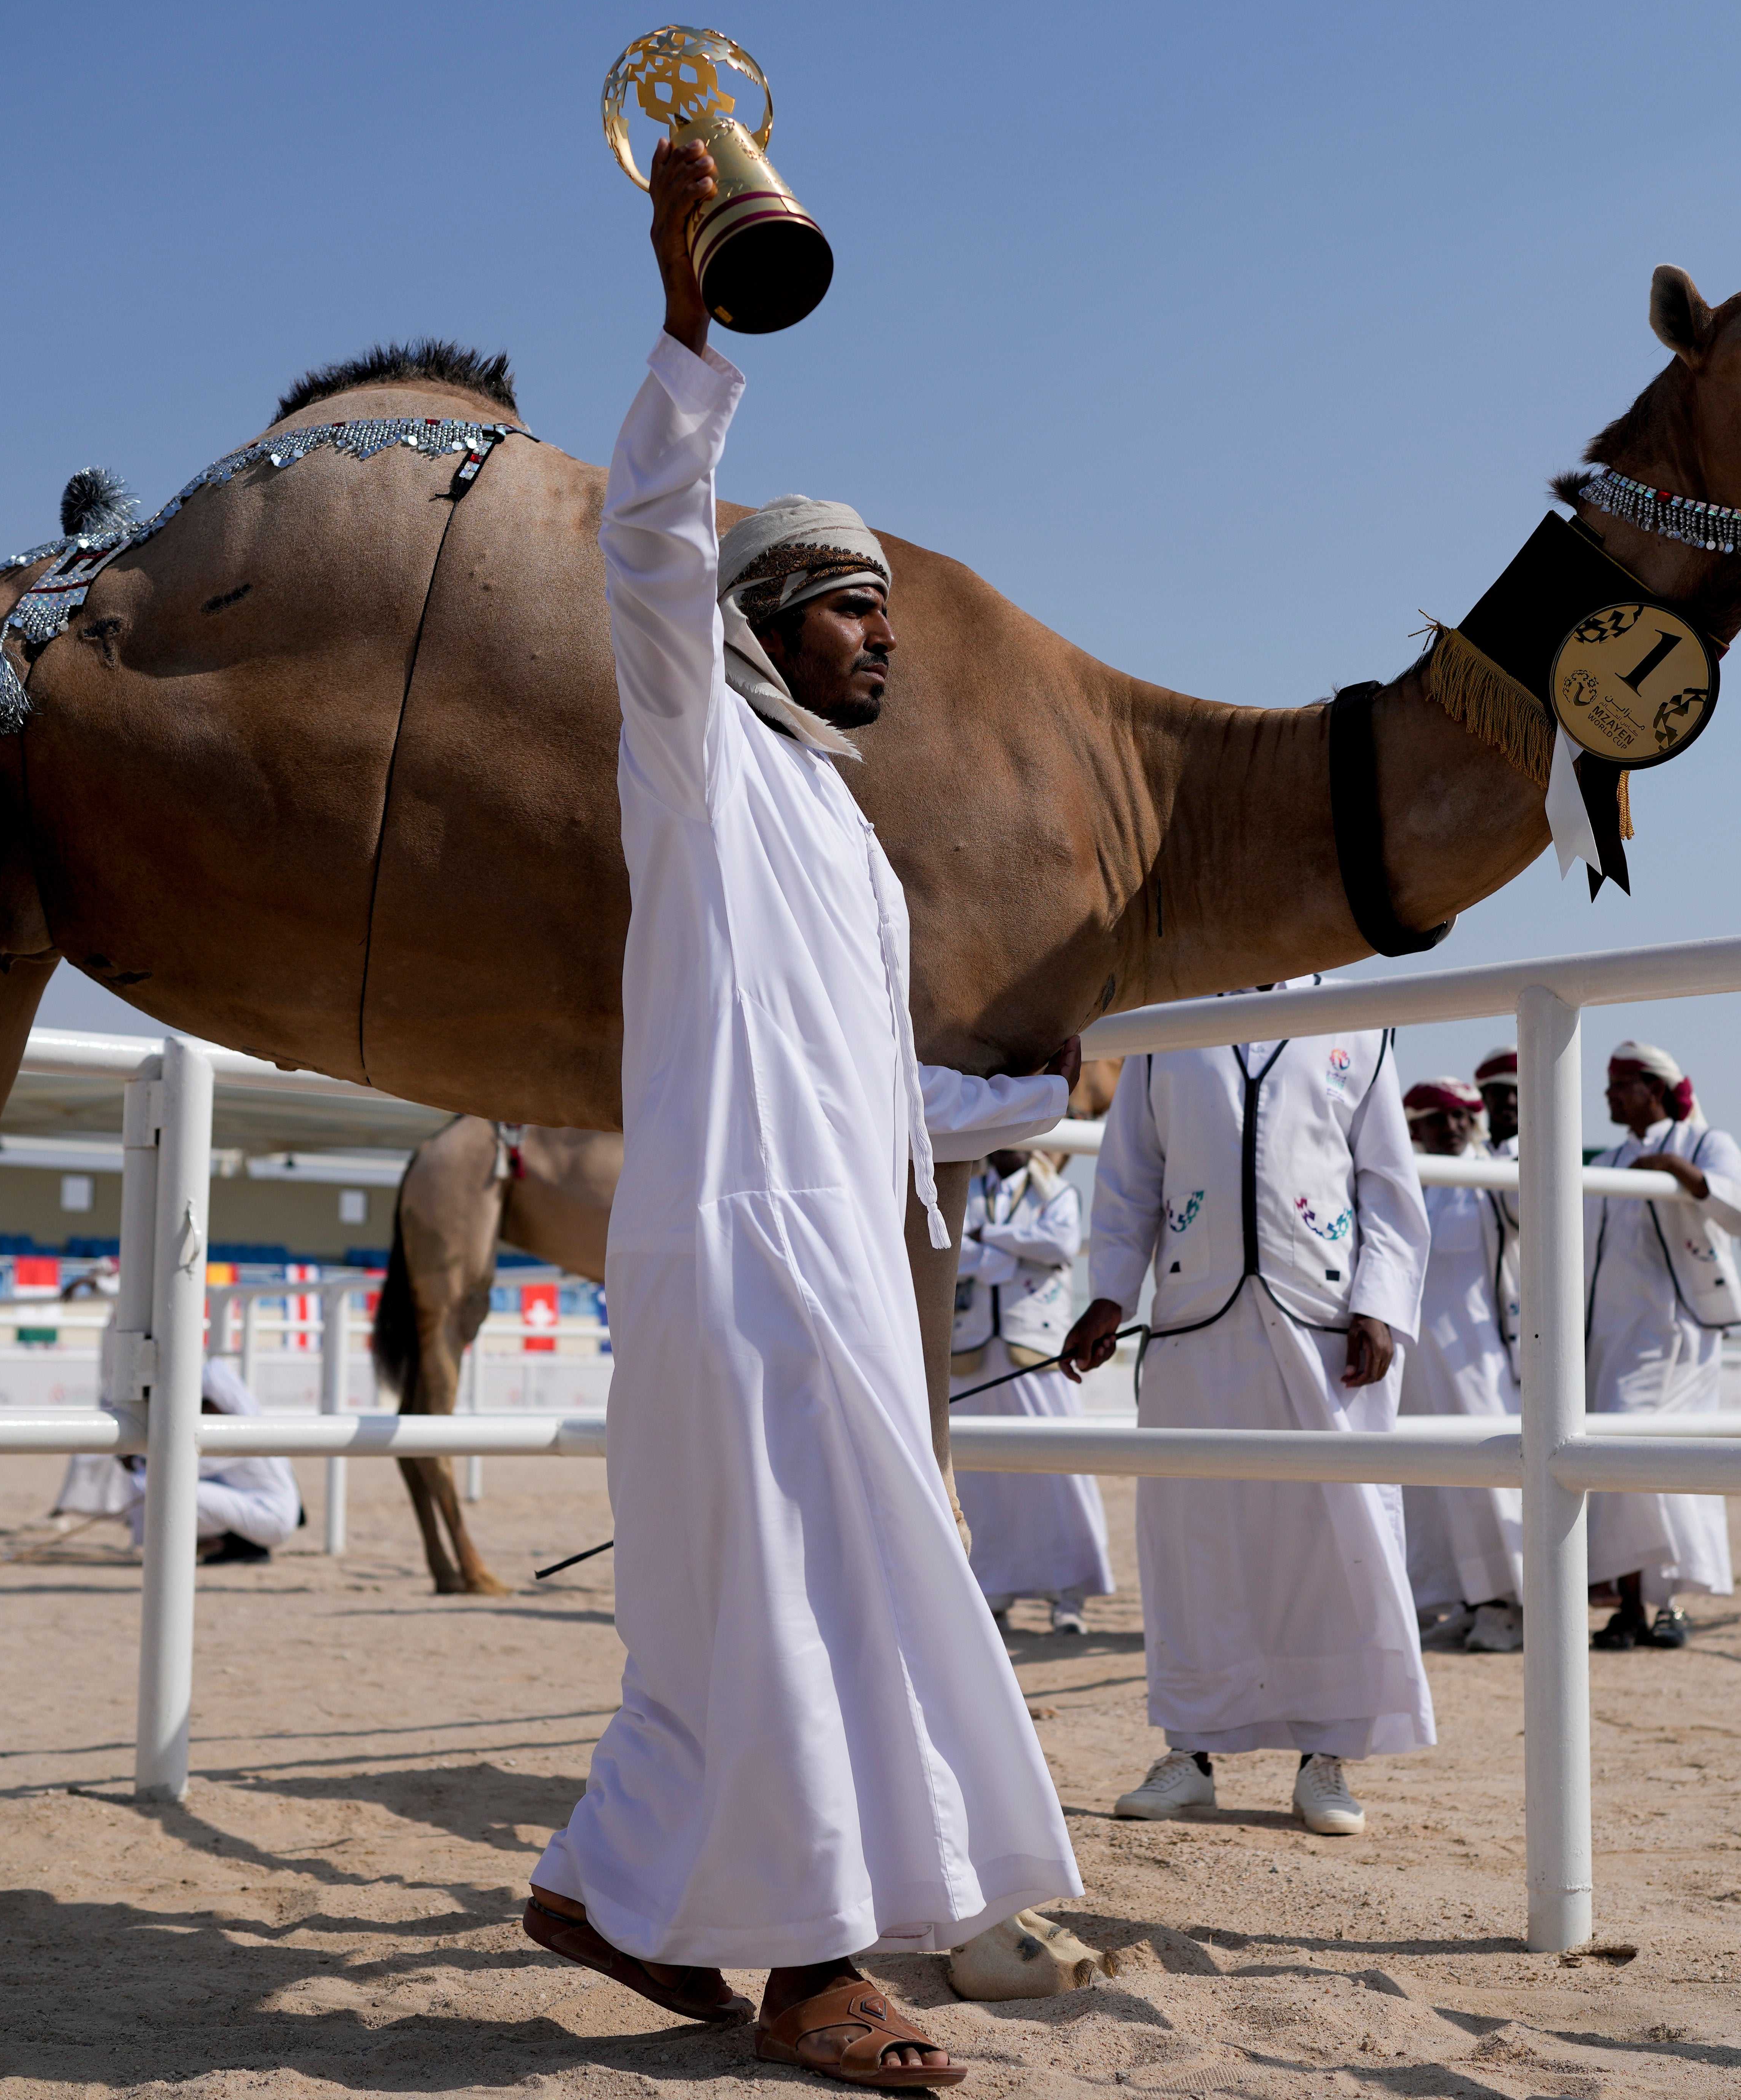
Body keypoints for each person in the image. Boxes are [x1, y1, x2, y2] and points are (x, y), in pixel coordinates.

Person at [520, 137, 1080, 2092]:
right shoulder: (692, 747)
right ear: (754, 624)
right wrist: (689, 332)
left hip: (831, 1254)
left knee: (746, 1600)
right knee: (792, 1600)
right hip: (741, 1250)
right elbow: (647, 546)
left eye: (883, 608)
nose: (881, 635)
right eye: (842, 606)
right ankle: (809, 1969)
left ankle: (607, 1885)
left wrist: (1031, 1086)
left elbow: (866, 1073)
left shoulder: (836, 825)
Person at [1063, 984, 1432, 1837]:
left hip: (1325, 1322)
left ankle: (1325, 1756)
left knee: (1332, 1536)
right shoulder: (1165, 1025)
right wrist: (1110, 1297)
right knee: (1195, 1536)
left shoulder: (1356, 1018)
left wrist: (1378, 1303)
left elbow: (1385, 1181)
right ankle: (1188, 1754)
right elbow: (1128, 1180)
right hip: (1197, 1322)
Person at [1583, 1041, 1741, 1650]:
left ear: (1654, 1087)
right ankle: (1631, 1605)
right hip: (1612, 1336)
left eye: (1619, 1083)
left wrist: (1678, 1172)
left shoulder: (1706, 1143)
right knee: (1610, 1463)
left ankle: (1671, 1603)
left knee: (1668, 1464)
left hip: (1679, 1336)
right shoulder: (1604, 1159)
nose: (1608, 1095)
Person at [951, 1145, 1112, 1636]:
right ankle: (991, 1588)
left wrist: (990, 1238)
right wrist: (1009, 1250)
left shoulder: (1057, 1191)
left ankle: (1070, 1593)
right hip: (973, 1347)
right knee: (981, 1477)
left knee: (1057, 1469)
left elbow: (1059, 1243)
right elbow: (953, 1245)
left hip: (1037, 1347)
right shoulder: (964, 1190)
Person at [1396, 1080, 1523, 1654]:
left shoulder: (1494, 1172)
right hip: (1418, 1360)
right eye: (1434, 1118)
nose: (1449, 1127)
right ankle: (1462, 1598)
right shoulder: (1411, 1182)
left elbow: (1530, 1210)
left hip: (1478, 1352)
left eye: (1458, 1116)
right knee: (1430, 1483)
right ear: (1414, 1128)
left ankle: (1511, 1604)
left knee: (1487, 1478)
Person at [74, 1358, 302, 1564]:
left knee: (160, 1487)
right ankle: (228, 1542)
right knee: (158, 1484)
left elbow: (179, 1467)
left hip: (272, 1518)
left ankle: (234, 1543)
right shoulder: (246, 1422)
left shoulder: (238, 1434)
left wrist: (136, 1460)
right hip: (261, 1508)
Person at [1472, 1048, 1519, 1152]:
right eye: (1500, 1092)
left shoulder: (1548, 1156)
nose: (1511, 1101)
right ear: (1483, 1095)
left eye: (1519, 1092)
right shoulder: (1470, 1155)